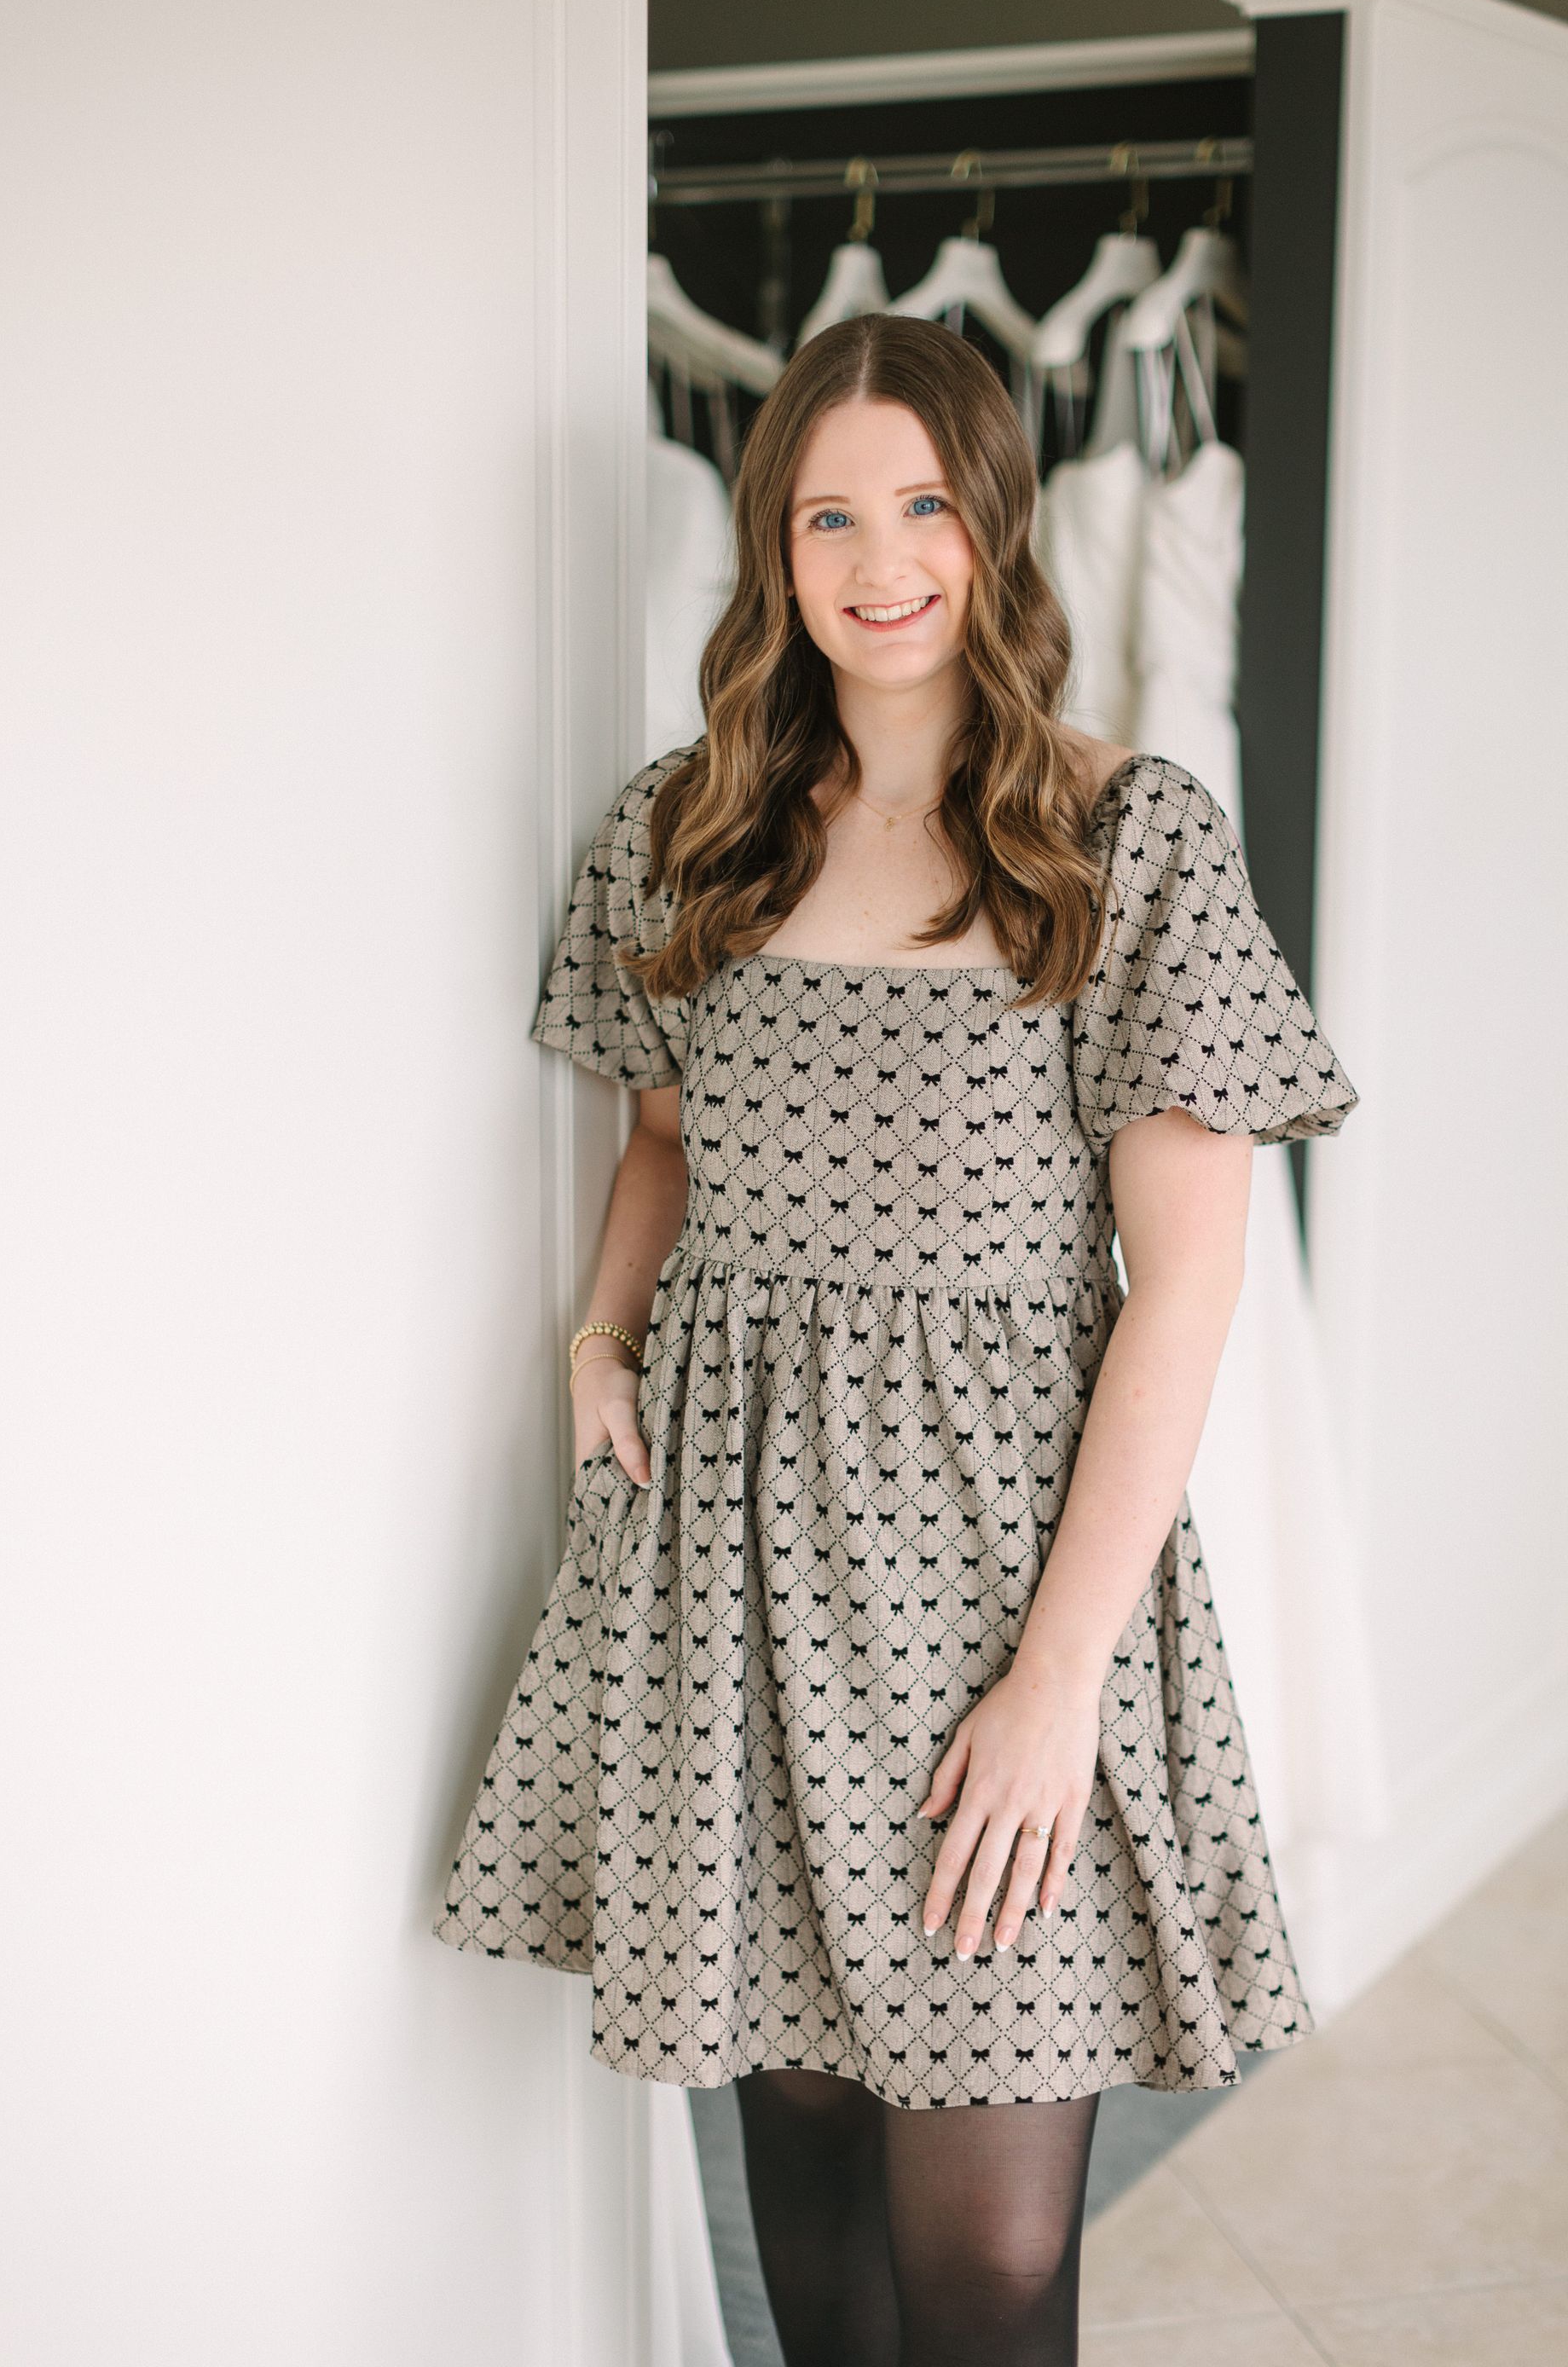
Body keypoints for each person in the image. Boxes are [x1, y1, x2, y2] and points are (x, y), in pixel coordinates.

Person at [437, 314, 1358, 2365]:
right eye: (827, 513)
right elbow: (663, 1135)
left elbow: (1187, 1289)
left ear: (995, 525)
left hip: (1005, 1582)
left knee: (996, 2263)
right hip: (736, 1574)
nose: (877, 561)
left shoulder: (1132, 837)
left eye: (923, 505)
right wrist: (601, 1333)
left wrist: (1056, 1689)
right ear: (771, 542)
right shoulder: (692, 820)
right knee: (815, 2201)